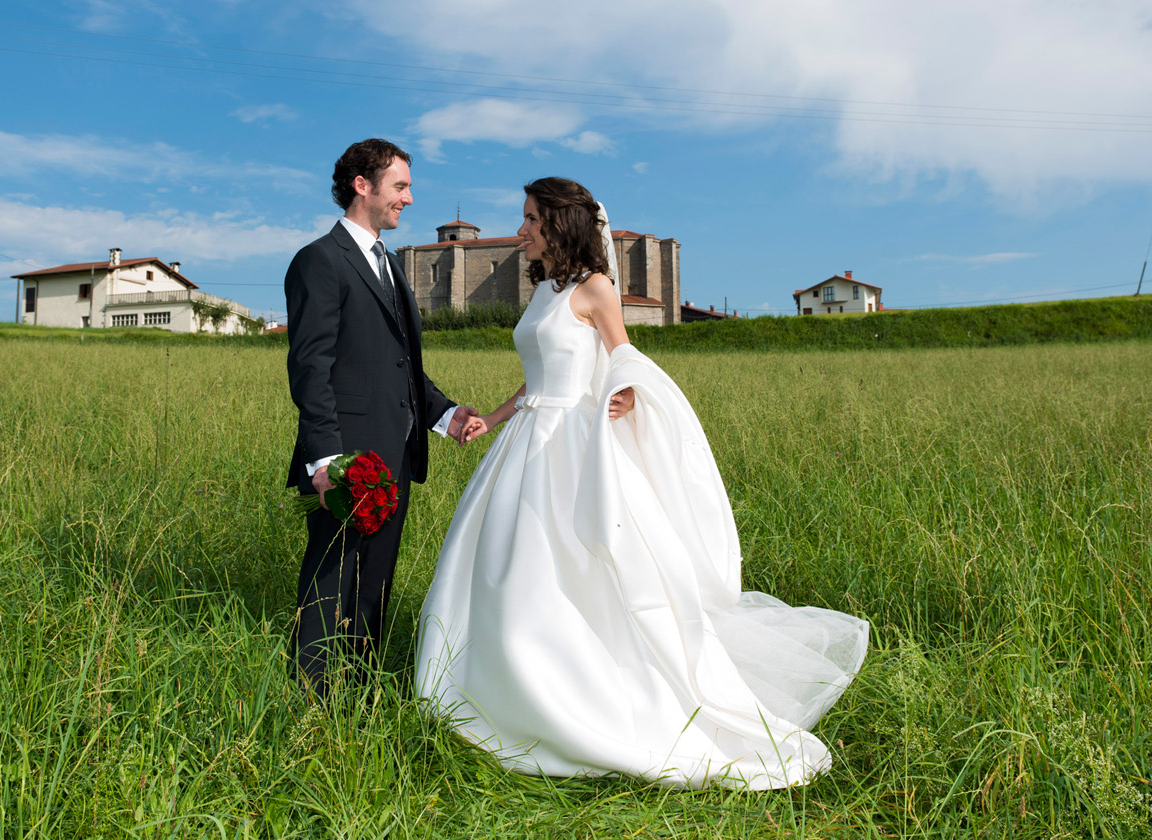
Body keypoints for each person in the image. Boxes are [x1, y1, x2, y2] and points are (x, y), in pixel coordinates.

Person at [415, 177, 868, 790]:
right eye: (522, 220)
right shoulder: (545, 290)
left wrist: (625, 391)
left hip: (572, 446)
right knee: (502, 564)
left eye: (528, 219)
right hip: (526, 442)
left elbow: (621, 354)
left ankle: (588, 697)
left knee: (579, 568)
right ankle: (497, 685)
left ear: (558, 224)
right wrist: (493, 420)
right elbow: (539, 373)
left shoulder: (596, 288)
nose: (520, 230)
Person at [285, 138, 475, 694]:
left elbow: (400, 364)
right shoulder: (319, 260)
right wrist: (325, 460)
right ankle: (313, 697)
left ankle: (361, 687)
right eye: (400, 187)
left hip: (395, 447)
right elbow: (310, 366)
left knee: (375, 579)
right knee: (331, 575)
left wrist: (446, 415)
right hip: (347, 454)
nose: (409, 200)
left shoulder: (389, 264)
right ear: (361, 186)